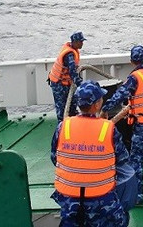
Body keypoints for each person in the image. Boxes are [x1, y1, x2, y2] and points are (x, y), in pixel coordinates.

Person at [51, 80, 131, 227]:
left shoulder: (63, 126)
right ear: (97, 105)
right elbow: (122, 160)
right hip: (100, 197)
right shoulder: (108, 128)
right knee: (121, 219)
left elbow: (54, 157)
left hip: (69, 197)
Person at [102, 45, 143, 206]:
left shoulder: (135, 78)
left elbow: (120, 95)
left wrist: (104, 108)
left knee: (137, 160)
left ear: (132, 61)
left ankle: (137, 195)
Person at [48, 31, 85, 121]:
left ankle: (72, 123)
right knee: (62, 108)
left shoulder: (72, 50)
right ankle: (61, 129)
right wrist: (82, 85)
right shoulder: (69, 55)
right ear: (75, 42)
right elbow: (72, 72)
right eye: (81, 41)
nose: (82, 43)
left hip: (67, 83)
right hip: (59, 84)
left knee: (73, 104)